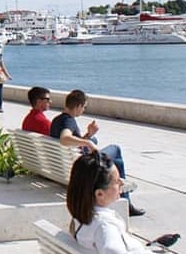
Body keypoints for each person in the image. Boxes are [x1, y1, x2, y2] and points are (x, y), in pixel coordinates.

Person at [67, 152, 186, 254]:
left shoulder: (81, 219)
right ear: (99, 194)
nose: (121, 183)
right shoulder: (104, 226)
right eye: (116, 182)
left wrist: (150, 247)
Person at [51, 89, 145, 217]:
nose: (83, 110)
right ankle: (125, 200)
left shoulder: (57, 120)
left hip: (64, 165)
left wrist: (89, 135)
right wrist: (89, 143)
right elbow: (64, 139)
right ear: (78, 106)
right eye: (83, 107)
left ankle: (124, 198)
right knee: (115, 149)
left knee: (115, 160)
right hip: (82, 167)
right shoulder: (69, 121)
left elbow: (71, 144)